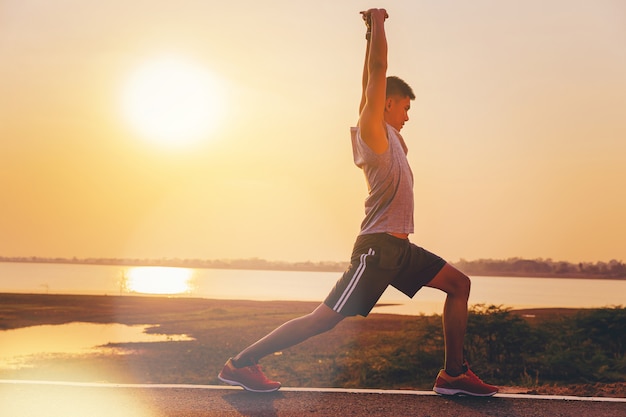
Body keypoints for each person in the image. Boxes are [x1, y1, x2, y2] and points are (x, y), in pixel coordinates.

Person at [218, 8, 498, 397]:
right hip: (377, 249)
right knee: (323, 320)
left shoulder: (395, 139)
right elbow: (376, 75)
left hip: (400, 248)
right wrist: (379, 23)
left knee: (459, 285)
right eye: (404, 107)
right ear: (386, 104)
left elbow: (370, 77)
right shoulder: (373, 133)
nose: (407, 116)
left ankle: (453, 374)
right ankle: (242, 363)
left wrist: (368, 33)